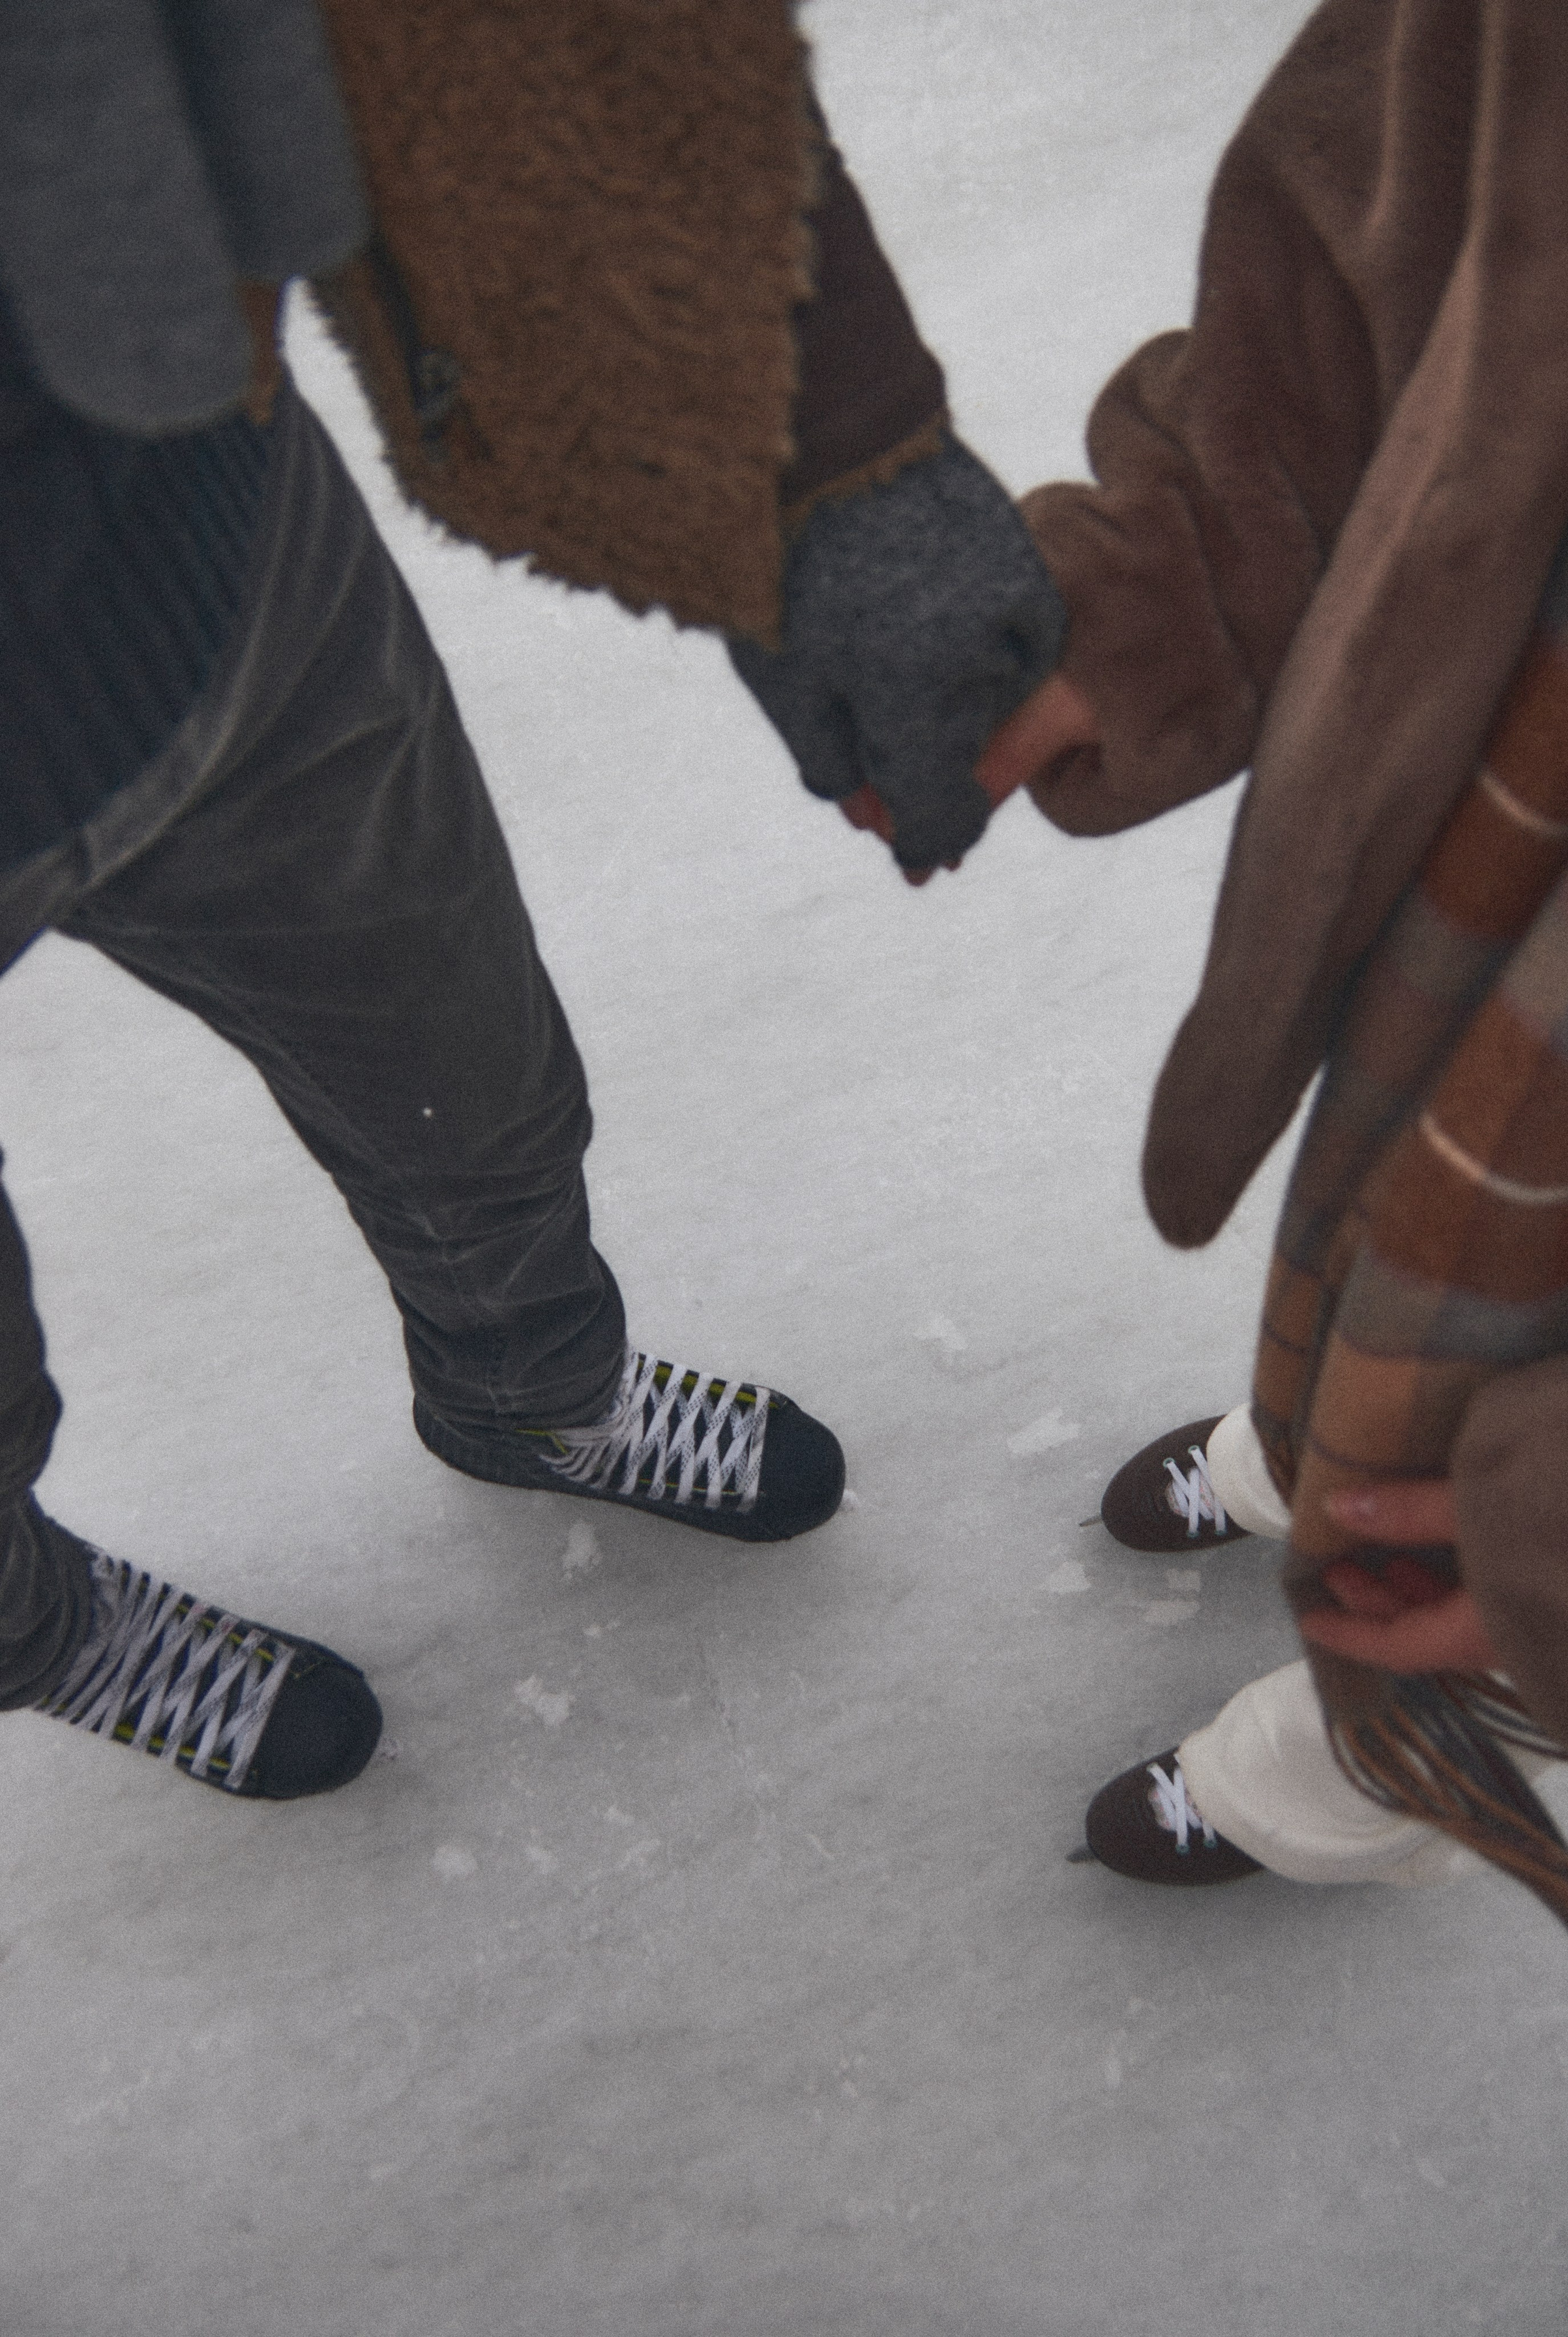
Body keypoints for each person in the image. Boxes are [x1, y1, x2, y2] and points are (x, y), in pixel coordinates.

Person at [0, 0, 1063, 1803]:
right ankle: (33, 1628)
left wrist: (814, 455)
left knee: (462, 1065)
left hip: (193, 555)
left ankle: (534, 1385)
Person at [959, 0, 1568, 1924]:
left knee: (1522, 1561)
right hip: (1531, 839)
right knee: (1404, 1240)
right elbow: (1398, 177)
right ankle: (1320, 1441)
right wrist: (1168, 576)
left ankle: (1349, 1781)